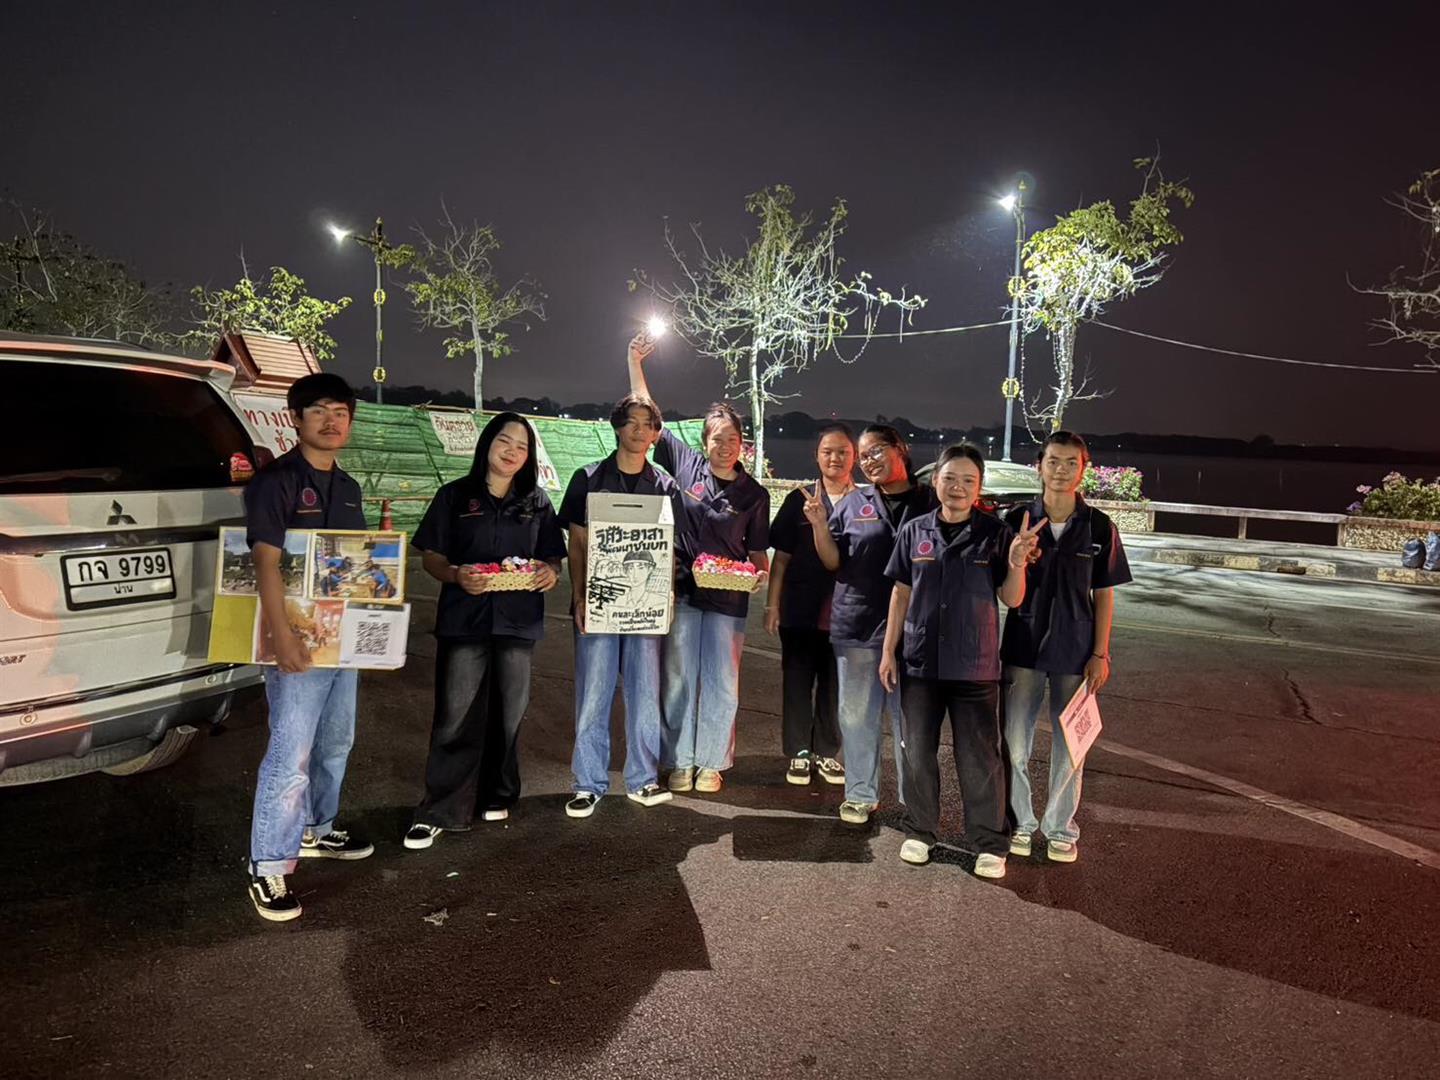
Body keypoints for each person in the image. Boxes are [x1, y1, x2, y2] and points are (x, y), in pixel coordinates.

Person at [880, 443, 1045, 880]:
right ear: (935, 481)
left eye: (968, 480)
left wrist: (1017, 564)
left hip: (975, 665)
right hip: (920, 662)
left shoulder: (996, 534)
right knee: (917, 751)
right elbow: (900, 592)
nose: (957, 487)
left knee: (980, 758)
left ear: (979, 487)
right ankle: (920, 830)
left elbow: (1012, 598)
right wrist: (888, 650)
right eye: (950, 478)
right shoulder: (914, 530)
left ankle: (989, 842)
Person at [403, 412, 566, 850]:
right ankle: (441, 808)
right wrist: (456, 575)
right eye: (504, 441)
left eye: (522, 446)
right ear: (487, 443)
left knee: (508, 712)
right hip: (465, 619)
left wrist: (550, 572)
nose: (512, 452)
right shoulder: (455, 496)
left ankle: (498, 793)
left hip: (517, 620)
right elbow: (431, 556)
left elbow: (552, 556)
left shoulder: (536, 501)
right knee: (456, 714)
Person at [244, 372, 373, 922]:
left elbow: (359, 565)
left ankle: (318, 828)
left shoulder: (349, 487)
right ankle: (268, 863)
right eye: (318, 410)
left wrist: (373, 630)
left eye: (340, 411)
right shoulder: (275, 482)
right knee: (290, 752)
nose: (331, 421)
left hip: (341, 640)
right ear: (296, 419)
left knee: (336, 741)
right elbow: (264, 563)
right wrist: (281, 635)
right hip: (295, 640)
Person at [626, 332, 770, 795]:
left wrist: (760, 575)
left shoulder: (754, 494)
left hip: (729, 599)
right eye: (716, 438)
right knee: (677, 678)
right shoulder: (686, 466)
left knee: (723, 680)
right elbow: (650, 415)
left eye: (732, 439)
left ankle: (711, 761)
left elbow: (757, 551)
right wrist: (635, 363)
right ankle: (680, 759)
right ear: (704, 441)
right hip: (685, 592)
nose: (724, 446)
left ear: (742, 445)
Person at [1002, 430, 1132, 864]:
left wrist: (1100, 653)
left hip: (1076, 651)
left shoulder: (1097, 526)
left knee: (1071, 744)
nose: (1060, 470)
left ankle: (1060, 827)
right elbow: (1004, 591)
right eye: (1053, 461)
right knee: (1014, 741)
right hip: (1023, 647)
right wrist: (1017, 558)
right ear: (1039, 466)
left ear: (1083, 469)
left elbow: (1105, 593)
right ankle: (1019, 822)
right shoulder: (1017, 520)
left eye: (1070, 463)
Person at [558, 393, 690, 817]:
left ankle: (643, 778)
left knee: (645, 693)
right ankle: (587, 782)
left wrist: (667, 595)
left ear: (655, 434)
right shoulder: (588, 477)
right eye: (632, 422)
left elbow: (669, 549)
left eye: (647, 424)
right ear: (617, 426)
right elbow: (577, 542)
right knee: (593, 693)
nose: (639, 430)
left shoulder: (665, 486)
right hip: (599, 605)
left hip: (645, 608)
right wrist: (579, 595)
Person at [809, 424, 935, 825]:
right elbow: (833, 560)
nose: (869, 461)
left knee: (910, 720)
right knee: (856, 715)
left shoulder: (931, 501)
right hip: (858, 625)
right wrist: (819, 524)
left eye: (877, 450)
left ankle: (914, 801)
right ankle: (861, 794)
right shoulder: (853, 502)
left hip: (916, 629)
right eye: (863, 456)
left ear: (900, 449)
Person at [765, 424, 857, 786]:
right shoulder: (798, 500)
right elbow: (781, 558)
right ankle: (799, 752)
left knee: (835, 684)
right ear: (817, 456)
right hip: (800, 608)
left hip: (845, 612)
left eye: (843, 452)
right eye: (827, 452)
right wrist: (772, 605)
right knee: (797, 681)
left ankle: (826, 752)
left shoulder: (865, 502)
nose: (835, 458)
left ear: (853, 457)